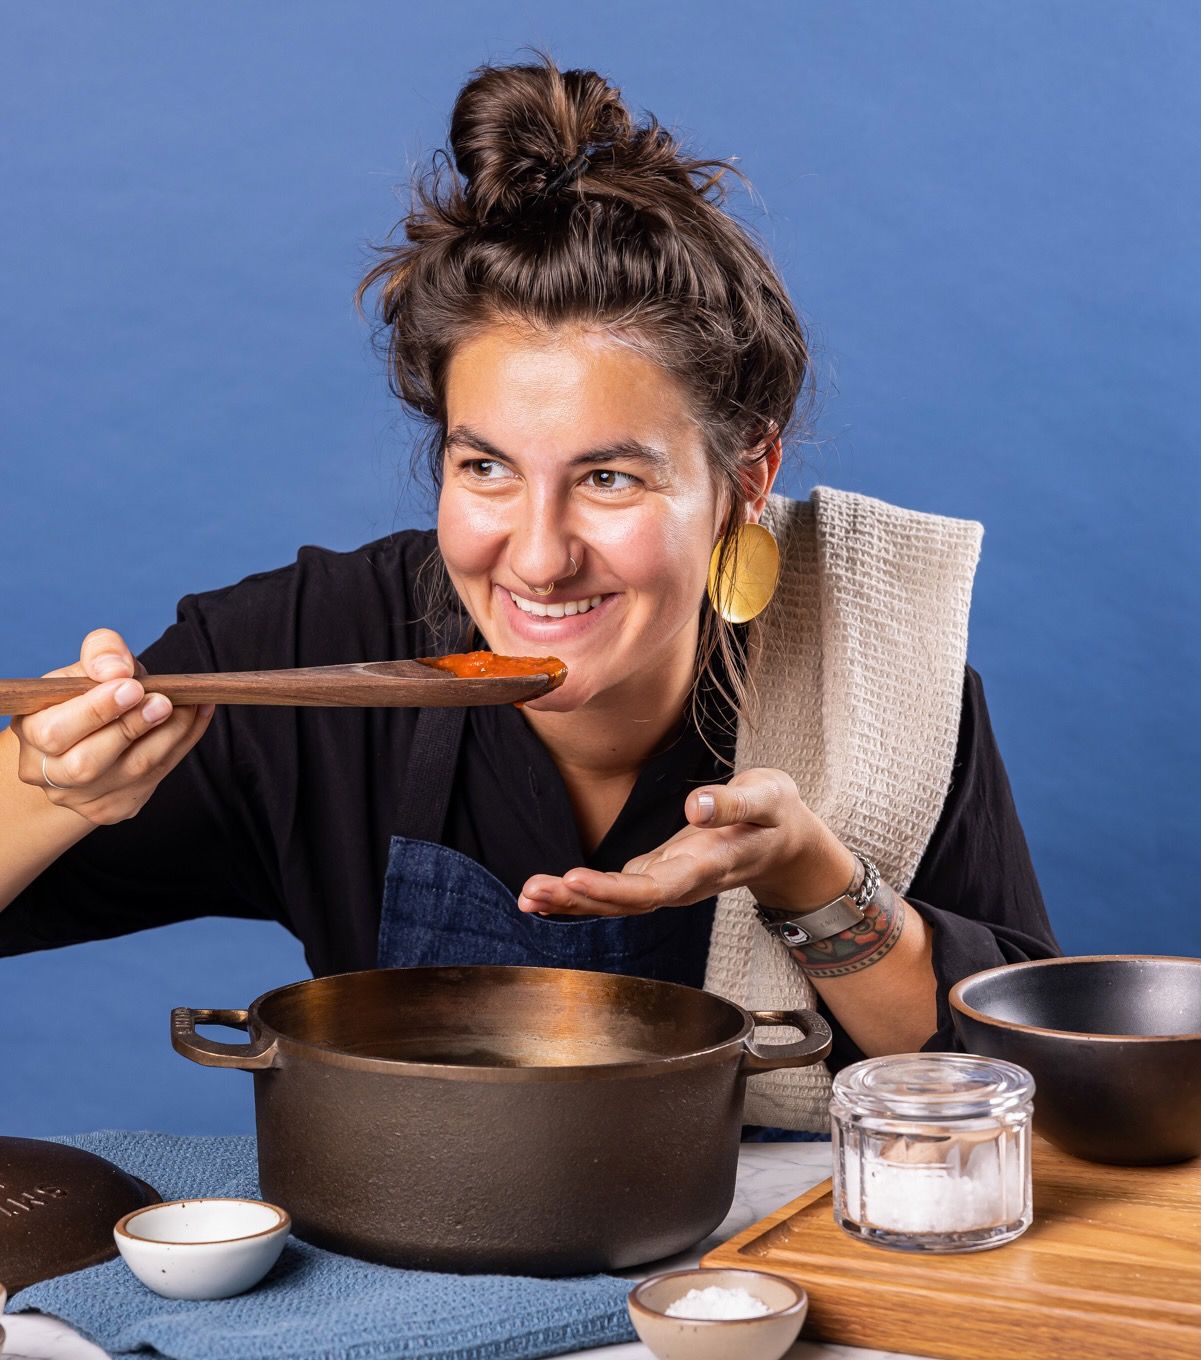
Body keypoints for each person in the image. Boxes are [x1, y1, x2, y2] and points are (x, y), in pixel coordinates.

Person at [0, 57, 1057, 1131]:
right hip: (403, 1222)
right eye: (486, 468)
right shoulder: (307, 648)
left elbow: (1027, 1089)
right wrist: (55, 788)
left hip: (767, 1240)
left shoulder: (872, 678)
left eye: (609, 478)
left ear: (746, 480)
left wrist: (807, 877)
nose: (540, 559)